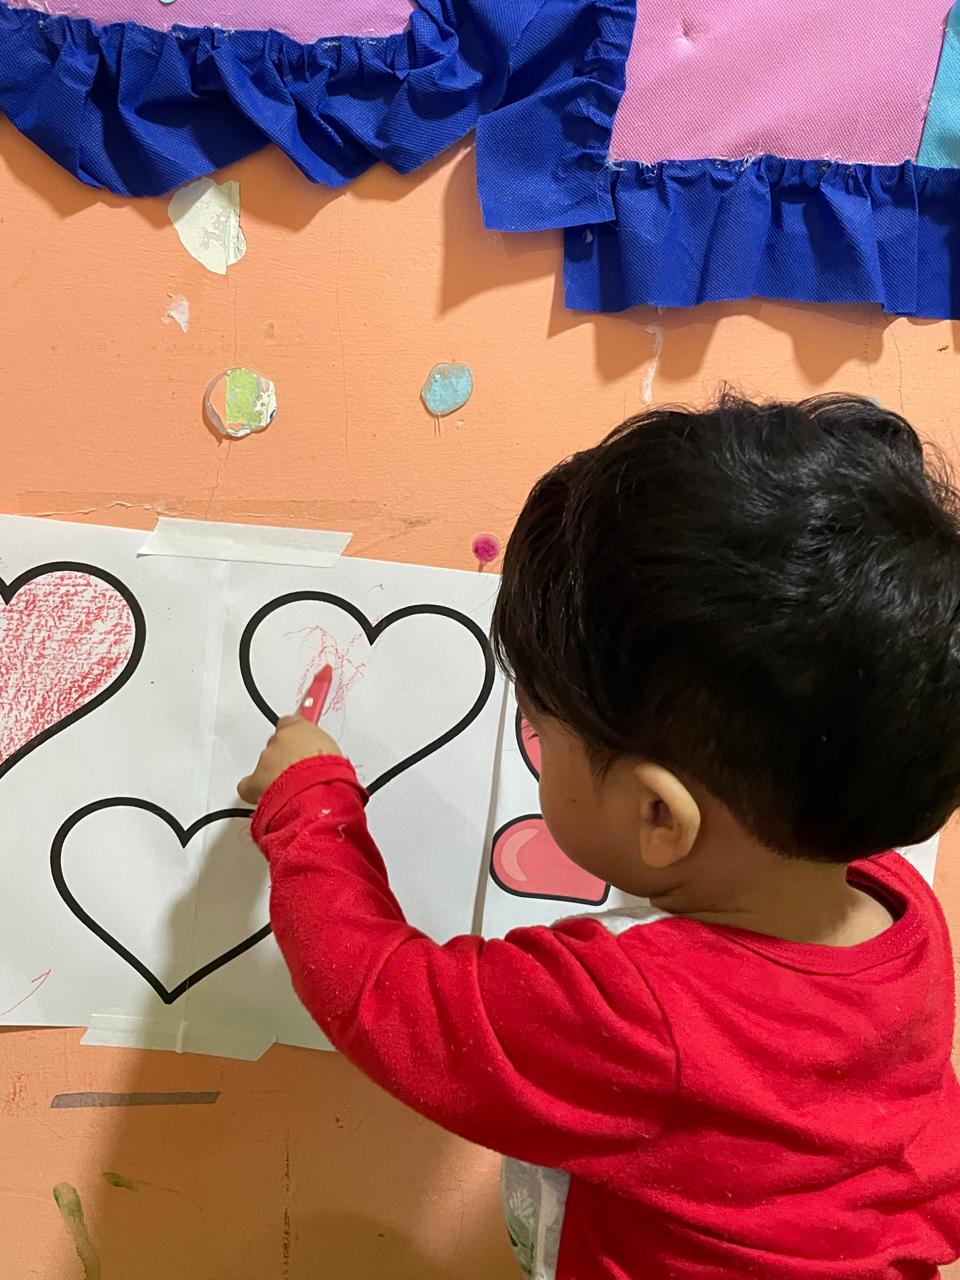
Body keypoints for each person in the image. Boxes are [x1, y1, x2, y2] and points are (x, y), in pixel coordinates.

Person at [239, 394, 960, 1279]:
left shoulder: (636, 1015)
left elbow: (383, 997)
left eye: (542, 734)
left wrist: (309, 807)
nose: (535, 749)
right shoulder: (899, 912)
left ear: (659, 816)